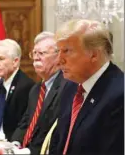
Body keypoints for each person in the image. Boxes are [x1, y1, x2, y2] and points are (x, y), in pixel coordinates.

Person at [50, 19, 123, 155]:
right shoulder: (70, 86)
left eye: (66, 51)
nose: (59, 60)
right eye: (58, 51)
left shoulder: (119, 94)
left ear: (94, 54)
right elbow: (58, 140)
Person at [11, 32, 67, 154]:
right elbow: (25, 122)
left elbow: (51, 132)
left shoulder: (66, 87)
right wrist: (15, 144)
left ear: (58, 57)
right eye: (34, 53)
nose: (36, 57)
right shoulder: (36, 89)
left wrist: (29, 152)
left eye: (41, 53)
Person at [0, 39, 35, 141]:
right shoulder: (1, 82)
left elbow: (23, 125)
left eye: (1, 59)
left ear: (15, 62)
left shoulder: (25, 86)